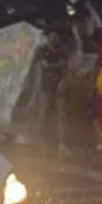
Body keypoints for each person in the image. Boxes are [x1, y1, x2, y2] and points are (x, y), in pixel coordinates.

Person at [38, 28, 70, 156]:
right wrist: (58, 65)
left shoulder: (63, 51)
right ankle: (43, 142)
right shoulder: (42, 50)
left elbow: (65, 67)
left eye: (56, 36)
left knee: (62, 115)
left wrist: (63, 80)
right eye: (52, 35)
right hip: (46, 86)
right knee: (44, 115)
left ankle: (63, 143)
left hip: (59, 86)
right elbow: (44, 65)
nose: (54, 38)